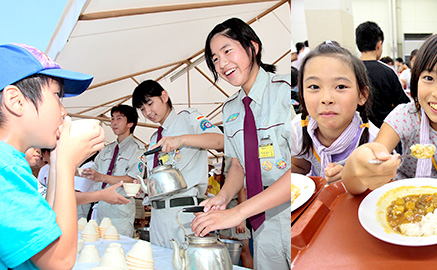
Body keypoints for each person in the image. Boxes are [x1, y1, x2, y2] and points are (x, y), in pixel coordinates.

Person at [341, 32, 437, 195]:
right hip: (405, 199)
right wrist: (359, 165)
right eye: (429, 78)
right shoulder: (405, 117)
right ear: (416, 80)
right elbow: (373, 158)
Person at [192, 17, 291, 269]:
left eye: (227, 51)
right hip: (262, 222)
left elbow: (301, 168)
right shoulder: (230, 109)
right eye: (214, 59)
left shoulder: (286, 92)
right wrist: (224, 198)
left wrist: (238, 212)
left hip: (295, 212)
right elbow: (239, 164)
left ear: (252, 47)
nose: (222, 63)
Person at [0, 43, 104, 269]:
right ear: (16, 101)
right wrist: (67, 164)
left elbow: (47, 225)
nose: (63, 111)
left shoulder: (11, 162)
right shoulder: (4, 169)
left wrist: (57, 162)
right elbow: (59, 260)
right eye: (57, 95)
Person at [133, 79, 223, 249]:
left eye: (150, 103)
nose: (148, 112)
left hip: (183, 213)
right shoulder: (154, 139)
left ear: (164, 96)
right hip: (157, 215)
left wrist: (181, 140)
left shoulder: (188, 119)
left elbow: (220, 141)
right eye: (143, 109)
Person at [291, 44, 377, 183]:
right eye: (314, 87)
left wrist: (354, 179)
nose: (327, 99)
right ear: (301, 94)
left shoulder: (373, 141)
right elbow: (299, 166)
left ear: (362, 95)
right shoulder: (297, 130)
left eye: (341, 87)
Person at [80, 105, 143, 237]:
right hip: (101, 206)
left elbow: (133, 179)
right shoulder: (107, 149)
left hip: (120, 209)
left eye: (118, 119)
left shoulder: (137, 149)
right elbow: (93, 171)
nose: (113, 123)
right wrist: (76, 170)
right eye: (112, 119)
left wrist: (102, 177)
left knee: (118, 247)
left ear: (130, 123)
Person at [356, 21, 411, 127]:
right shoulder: (388, 72)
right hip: (385, 131)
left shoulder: (350, 70)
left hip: (356, 133)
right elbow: (403, 104)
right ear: (379, 44)